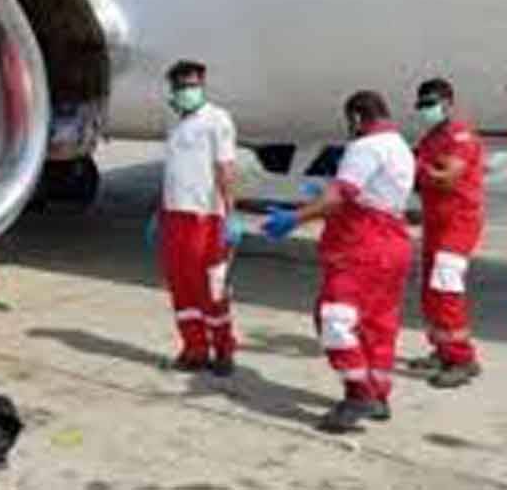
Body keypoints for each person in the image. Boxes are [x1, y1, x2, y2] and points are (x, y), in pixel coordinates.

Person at [263, 91, 415, 433]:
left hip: (363, 246)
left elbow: (340, 197)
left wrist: (296, 217)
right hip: (394, 242)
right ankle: (378, 395)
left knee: (334, 317)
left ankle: (357, 393)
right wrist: (322, 194)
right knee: (378, 324)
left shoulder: (364, 147)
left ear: (357, 119)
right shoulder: (400, 146)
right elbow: (368, 193)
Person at [149, 59, 244, 377]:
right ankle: (194, 349)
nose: (188, 91)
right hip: (173, 216)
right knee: (181, 286)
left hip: (205, 217)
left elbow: (225, 169)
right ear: (173, 89)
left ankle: (224, 350)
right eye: (182, 86)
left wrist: (231, 213)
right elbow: (172, 172)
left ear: (202, 85)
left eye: (193, 85)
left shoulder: (217, 120)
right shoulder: (174, 124)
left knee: (211, 289)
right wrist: (158, 211)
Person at [409, 78, 485, 388]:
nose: (426, 110)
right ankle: (442, 349)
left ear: (447, 103)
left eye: (431, 103)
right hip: (436, 221)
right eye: (422, 105)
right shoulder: (430, 138)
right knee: (430, 289)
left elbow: (447, 179)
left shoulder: (459, 136)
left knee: (445, 286)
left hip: (459, 223)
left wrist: (417, 167)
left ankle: (463, 359)